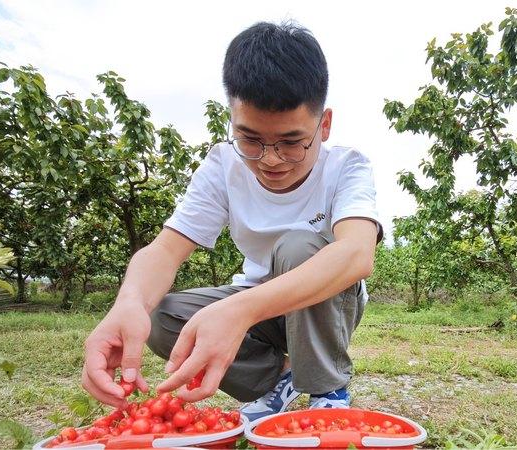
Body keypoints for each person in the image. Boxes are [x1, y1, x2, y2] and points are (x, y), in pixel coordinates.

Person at [81, 21, 382, 422]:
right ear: (233, 121)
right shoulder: (223, 165)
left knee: (298, 245)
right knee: (161, 317)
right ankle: (282, 377)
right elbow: (167, 249)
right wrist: (129, 303)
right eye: (250, 139)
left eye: (291, 142)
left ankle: (326, 386)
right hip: (258, 305)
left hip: (322, 306)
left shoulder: (347, 167)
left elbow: (356, 255)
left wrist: (240, 311)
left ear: (323, 126)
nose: (270, 158)